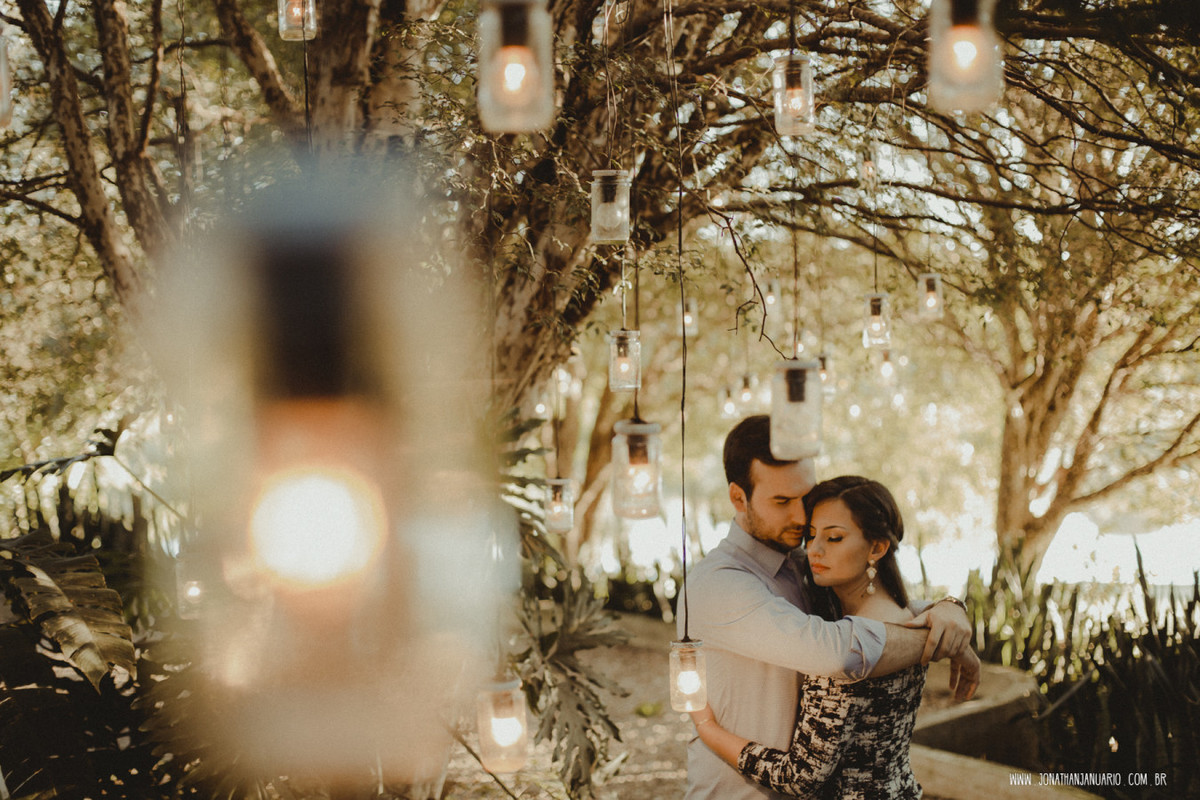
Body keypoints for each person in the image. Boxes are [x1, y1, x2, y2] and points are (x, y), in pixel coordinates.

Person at [678, 416, 978, 800]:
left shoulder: (806, 563)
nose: (802, 517)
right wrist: (939, 641)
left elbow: (873, 603)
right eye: (782, 502)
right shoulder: (718, 583)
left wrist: (948, 609)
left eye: (805, 498)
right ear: (739, 498)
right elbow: (839, 653)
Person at [690, 475, 931, 798]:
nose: (813, 550)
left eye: (833, 538)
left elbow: (799, 777)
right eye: (811, 535)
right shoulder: (914, 618)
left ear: (877, 547)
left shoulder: (843, 653)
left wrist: (708, 729)